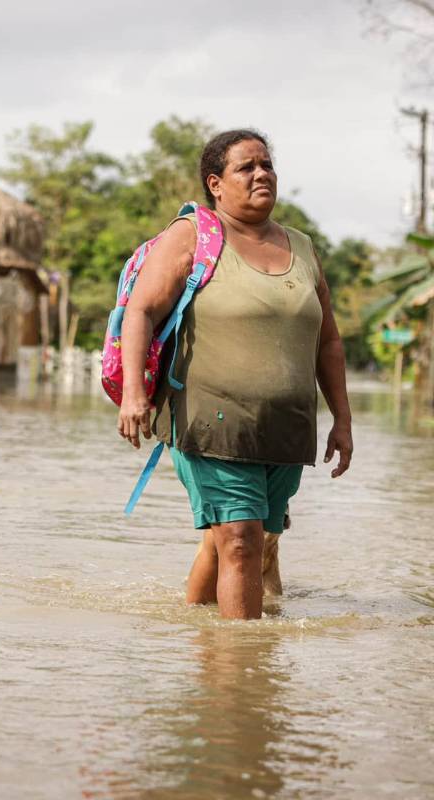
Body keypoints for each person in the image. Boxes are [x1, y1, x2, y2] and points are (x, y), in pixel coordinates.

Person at [117, 130, 353, 620]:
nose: (261, 173)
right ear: (216, 184)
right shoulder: (192, 237)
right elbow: (140, 311)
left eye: (266, 164)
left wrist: (343, 421)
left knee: (251, 540)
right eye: (246, 167)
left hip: (285, 429)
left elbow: (327, 341)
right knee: (242, 543)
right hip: (213, 421)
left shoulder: (303, 247)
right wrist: (133, 395)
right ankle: (240, 677)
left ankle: (193, 626)